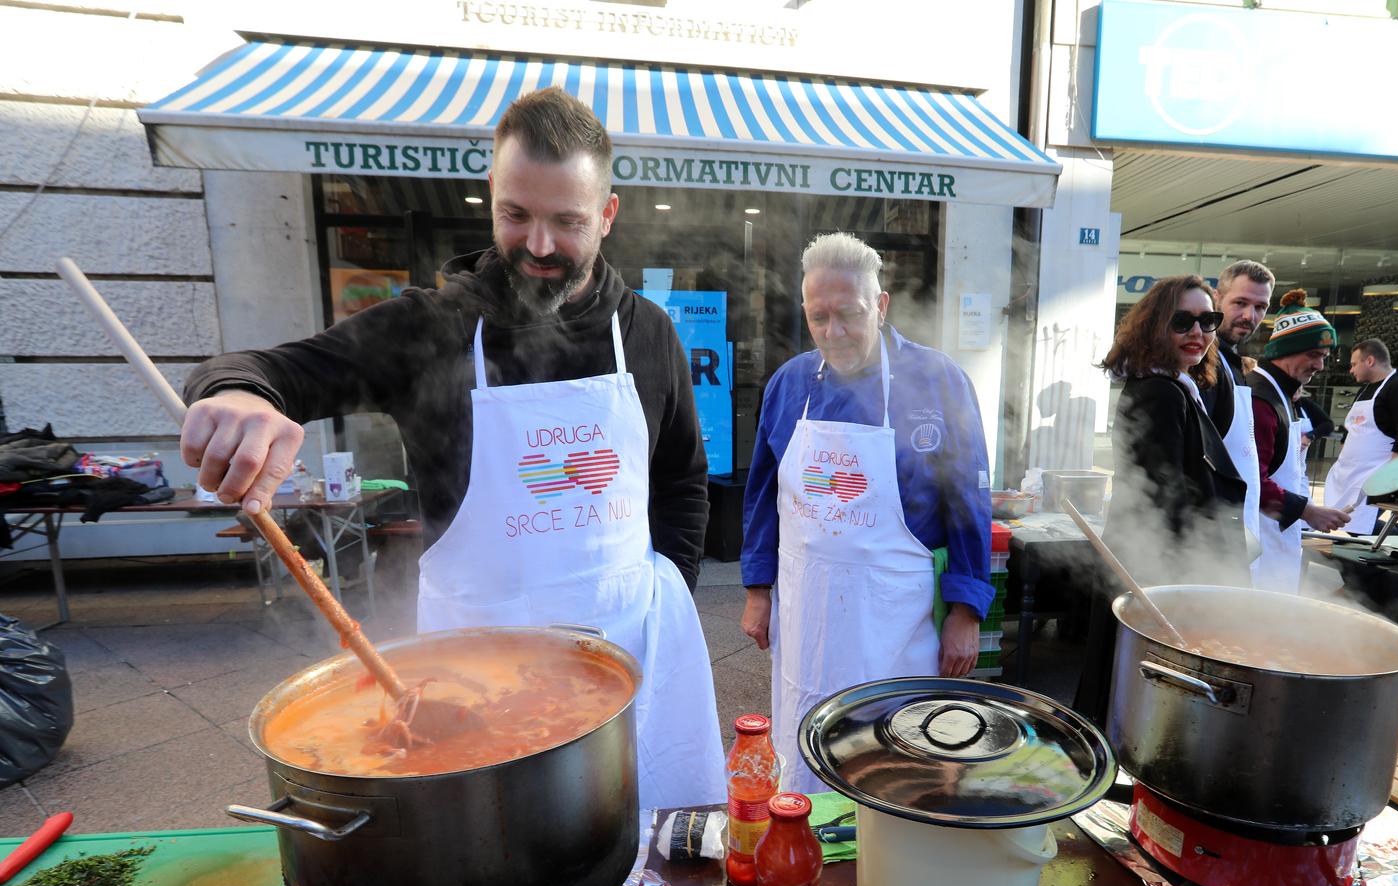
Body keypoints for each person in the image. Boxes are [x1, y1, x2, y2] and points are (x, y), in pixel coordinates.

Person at [178, 88, 725, 813]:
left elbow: (683, 477)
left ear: (608, 214)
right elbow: (272, 372)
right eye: (516, 214)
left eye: (567, 222)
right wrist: (237, 396)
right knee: (500, 853)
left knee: (656, 838)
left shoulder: (649, 333)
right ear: (490, 195)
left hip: (638, 649)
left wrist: (671, 590)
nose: (538, 246)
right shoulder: (432, 327)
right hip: (476, 676)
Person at [739, 232, 993, 794]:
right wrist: (758, 588)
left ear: (880, 304)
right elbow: (763, 492)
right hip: (807, 607)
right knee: (807, 742)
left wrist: (966, 610)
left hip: (894, 615)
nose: (834, 333)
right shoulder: (789, 384)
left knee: (894, 752)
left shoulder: (938, 380)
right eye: (818, 317)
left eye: (849, 315)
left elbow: (969, 498)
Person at [1074, 274, 1247, 724]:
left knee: (1131, 685)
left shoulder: (1175, 385)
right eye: (1182, 321)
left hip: (1153, 562)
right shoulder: (1160, 393)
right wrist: (1194, 578)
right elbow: (1162, 499)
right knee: (1146, 691)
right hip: (1156, 569)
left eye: (1208, 320)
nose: (1198, 332)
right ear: (1155, 326)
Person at [1248, 290, 1350, 592]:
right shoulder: (1261, 399)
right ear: (1286, 350)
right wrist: (1308, 511)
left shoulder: (1285, 393)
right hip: (1261, 539)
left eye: (1324, 357)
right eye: (1314, 355)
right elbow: (1253, 480)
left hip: (1279, 532)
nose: (1320, 366)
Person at [1202, 260, 1274, 574]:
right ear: (1217, 298)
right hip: (1210, 535)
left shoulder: (1234, 363)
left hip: (1235, 526)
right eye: (1240, 303)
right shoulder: (1205, 363)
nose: (1249, 316)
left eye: (1260, 307)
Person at [1323, 338, 1398, 535]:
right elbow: (1352, 427)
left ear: (1369, 361)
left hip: (1376, 473)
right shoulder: (1365, 389)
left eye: (1354, 364)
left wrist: (1390, 477)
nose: (1351, 370)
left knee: (1358, 525)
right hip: (1351, 473)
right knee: (1346, 522)